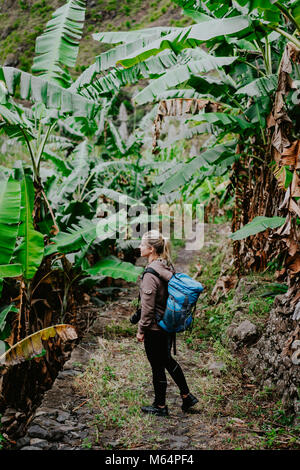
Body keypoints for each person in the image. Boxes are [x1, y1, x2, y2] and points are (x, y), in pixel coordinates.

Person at [136, 230, 198, 416]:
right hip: (167, 324)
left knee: (158, 365)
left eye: (142, 244)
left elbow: (147, 309)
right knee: (167, 361)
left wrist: (141, 329)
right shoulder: (166, 266)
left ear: (151, 249)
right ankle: (187, 396)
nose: (139, 247)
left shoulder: (150, 274)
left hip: (155, 327)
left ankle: (160, 406)